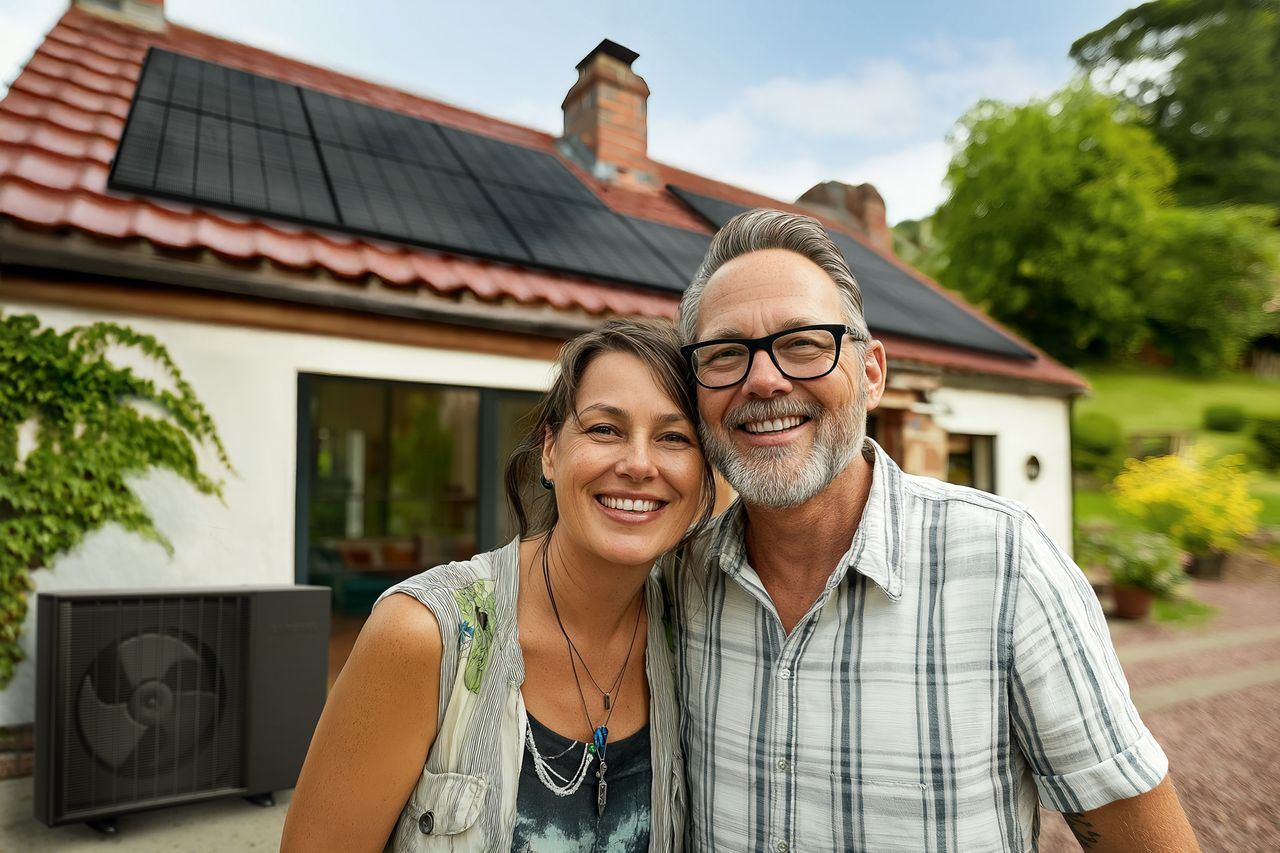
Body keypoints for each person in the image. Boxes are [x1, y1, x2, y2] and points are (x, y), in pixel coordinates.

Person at [667, 209, 1199, 852]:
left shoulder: (1007, 563)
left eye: (804, 343)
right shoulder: (677, 578)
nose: (764, 379)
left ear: (871, 374)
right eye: (725, 354)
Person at [282, 318, 713, 852]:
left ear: (704, 474)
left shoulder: (693, 635)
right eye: (605, 429)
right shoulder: (429, 635)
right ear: (550, 451)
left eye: (674, 437)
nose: (639, 464)